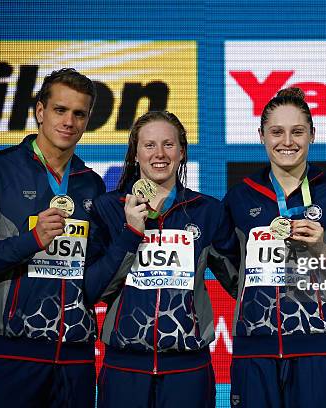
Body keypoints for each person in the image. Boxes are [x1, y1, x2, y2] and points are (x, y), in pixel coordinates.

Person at [0, 68, 105, 408]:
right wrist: (32, 240)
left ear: (88, 119)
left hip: (77, 359)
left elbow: (94, 270)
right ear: (39, 112)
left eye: (79, 113)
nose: (69, 121)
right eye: (60, 110)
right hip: (12, 357)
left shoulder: (90, 184)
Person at [84, 110, 238, 408]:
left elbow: (240, 283)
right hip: (124, 367)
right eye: (149, 145)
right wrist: (130, 233)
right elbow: (92, 290)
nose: (159, 154)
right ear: (136, 153)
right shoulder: (108, 208)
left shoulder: (206, 211)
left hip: (188, 369)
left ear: (182, 152)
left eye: (168, 144)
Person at [223, 88, 326, 407]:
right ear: (261, 136)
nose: (287, 141)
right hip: (255, 350)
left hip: (320, 348)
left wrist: (324, 251)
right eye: (277, 132)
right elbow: (232, 269)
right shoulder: (239, 199)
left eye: (297, 131)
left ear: (312, 135)